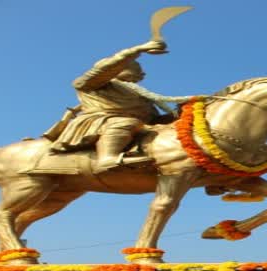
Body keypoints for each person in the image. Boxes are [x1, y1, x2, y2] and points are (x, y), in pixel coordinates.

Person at [49, 40, 196, 173]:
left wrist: (181, 112)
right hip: (103, 121)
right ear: (117, 69)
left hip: (139, 127)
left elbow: (154, 120)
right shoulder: (91, 84)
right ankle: (107, 158)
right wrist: (136, 51)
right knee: (127, 122)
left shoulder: (138, 93)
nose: (142, 73)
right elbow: (104, 70)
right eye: (137, 68)